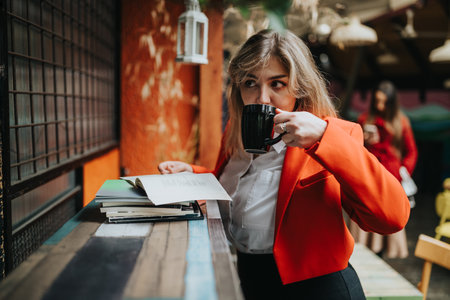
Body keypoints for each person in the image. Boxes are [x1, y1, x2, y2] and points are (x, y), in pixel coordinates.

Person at [159, 30, 410, 299]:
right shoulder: (236, 131)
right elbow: (242, 189)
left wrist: (324, 139)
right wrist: (195, 175)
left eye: (277, 84)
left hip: (317, 289)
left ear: (299, 86)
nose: (262, 98)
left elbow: (393, 217)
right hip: (251, 279)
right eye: (250, 83)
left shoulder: (335, 134)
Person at [349, 80, 418, 259]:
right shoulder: (365, 118)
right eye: (377, 101)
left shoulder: (401, 121)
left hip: (392, 175)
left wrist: (404, 171)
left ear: (391, 102)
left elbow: (412, 151)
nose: (379, 105)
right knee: (367, 211)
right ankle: (366, 253)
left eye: (384, 101)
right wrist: (364, 140)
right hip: (369, 173)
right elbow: (355, 148)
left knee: (388, 213)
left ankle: (383, 253)